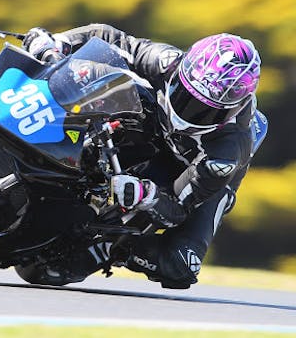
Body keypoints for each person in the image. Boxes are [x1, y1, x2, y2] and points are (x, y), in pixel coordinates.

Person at [21, 24, 267, 289]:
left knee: (181, 266)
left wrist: (146, 195)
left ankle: (111, 248)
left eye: (204, 110)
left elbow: (178, 210)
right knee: (108, 82)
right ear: (183, 71)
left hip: (195, 172)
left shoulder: (226, 152)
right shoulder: (168, 62)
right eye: (185, 96)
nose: (189, 113)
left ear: (232, 110)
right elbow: (110, 37)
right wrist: (58, 43)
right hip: (156, 122)